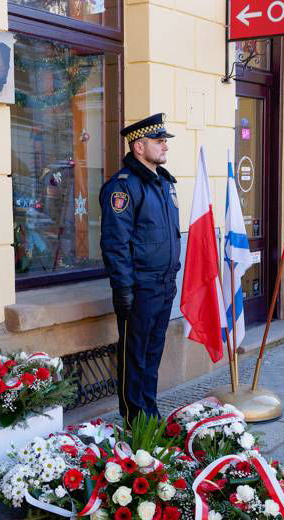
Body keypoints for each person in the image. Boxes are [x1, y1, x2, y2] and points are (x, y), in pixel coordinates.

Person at [100, 113, 181, 425]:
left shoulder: (163, 183)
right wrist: (123, 289)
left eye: (164, 141)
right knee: (134, 356)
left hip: (164, 283)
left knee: (152, 354)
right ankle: (135, 421)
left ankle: (151, 414)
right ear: (138, 147)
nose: (164, 146)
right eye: (158, 141)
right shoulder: (122, 188)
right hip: (140, 287)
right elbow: (115, 244)